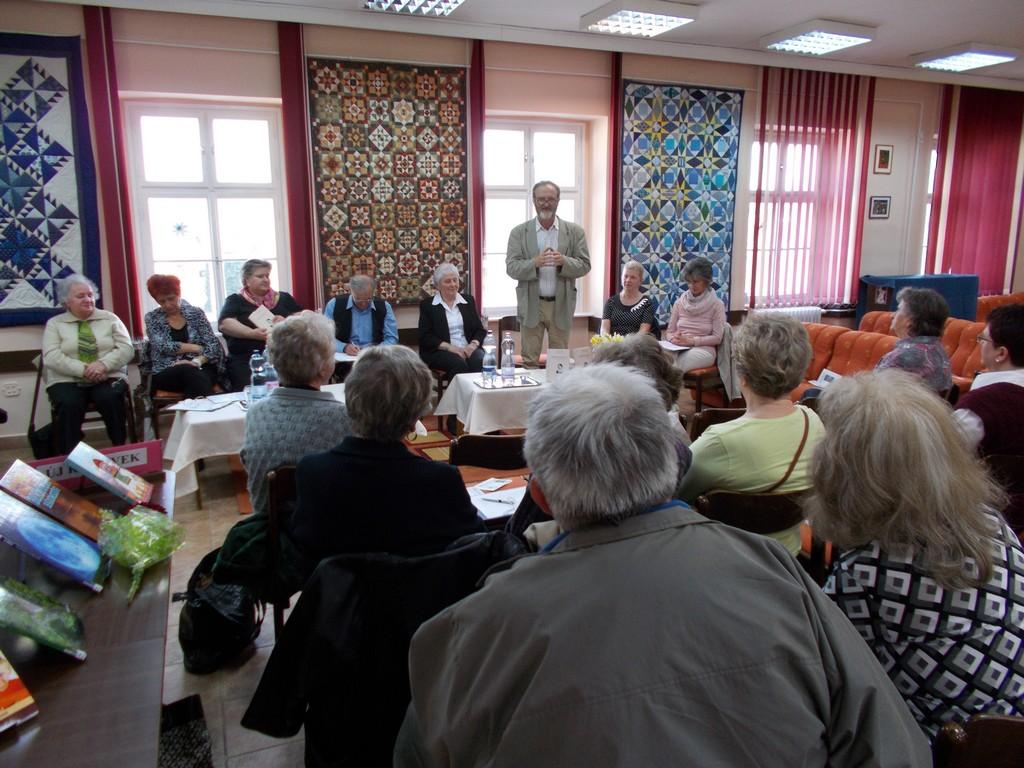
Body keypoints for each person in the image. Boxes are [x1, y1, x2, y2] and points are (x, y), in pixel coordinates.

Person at [397, 364, 931, 767]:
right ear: (671, 465)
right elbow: (891, 743)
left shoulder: (475, 623)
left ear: (541, 495)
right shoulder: (774, 567)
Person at [805, 369, 1023, 742]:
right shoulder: (990, 521)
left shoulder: (866, 572)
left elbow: (832, 682)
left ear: (843, 470)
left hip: (941, 745)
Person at [290, 345, 484, 564]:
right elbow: (476, 543)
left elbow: (305, 548)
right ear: (414, 420)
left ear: (350, 404)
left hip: (341, 584)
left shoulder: (313, 472)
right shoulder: (441, 480)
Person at [214, 312, 352, 601]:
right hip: (330, 544)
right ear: (324, 367)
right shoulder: (342, 418)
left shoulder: (257, 413)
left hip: (270, 538)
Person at [675, 313, 824, 555]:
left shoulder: (720, 441)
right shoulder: (814, 421)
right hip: (789, 557)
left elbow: (674, 494)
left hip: (725, 559)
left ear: (742, 376)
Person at [42, 275, 134, 455]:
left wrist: (103, 365)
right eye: (80, 296)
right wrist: (84, 370)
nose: (88, 299)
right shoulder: (55, 324)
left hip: (108, 375)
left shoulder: (110, 318)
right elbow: (51, 356)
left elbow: (126, 348)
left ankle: (120, 449)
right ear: (66, 301)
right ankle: (70, 455)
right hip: (66, 379)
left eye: (90, 295)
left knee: (110, 398)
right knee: (70, 403)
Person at [954, 303, 1024, 531]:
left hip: (984, 520)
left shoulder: (981, 405)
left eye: (983, 339)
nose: (980, 345)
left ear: (1001, 353)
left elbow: (941, 460)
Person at [506, 180, 591, 368]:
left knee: (559, 361)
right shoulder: (519, 232)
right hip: (531, 303)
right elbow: (511, 267)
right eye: (541, 199)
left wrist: (564, 262)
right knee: (529, 361)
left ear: (558, 200)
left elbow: (585, 265)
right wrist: (534, 263)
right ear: (534, 201)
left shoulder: (575, 232)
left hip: (561, 304)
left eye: (550, 199)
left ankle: (557, 389)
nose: (546, 203)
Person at [218, 259, 302, 391]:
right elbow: (225, 324)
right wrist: (251, 333)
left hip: (284, 359)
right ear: (246, 280)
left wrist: (286, 321)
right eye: (260, 276)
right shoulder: (235, 300)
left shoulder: (284, 298)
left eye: (267, 275)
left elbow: (304, 319)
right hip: (247, 361)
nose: (266, 280)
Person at [143, 274, 224, 398]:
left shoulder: (196, 313)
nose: (167, 304)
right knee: (191, 373)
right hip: (167, 370)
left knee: (194, 378)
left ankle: (194, 409)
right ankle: (211, 408)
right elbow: (164, 346)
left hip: (201, 365)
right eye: (162, 301)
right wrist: (197, 348)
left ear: (179, 294)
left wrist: (196, 361)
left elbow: (213, 345)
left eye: (171, 299)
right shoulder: (152, 318)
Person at [875, 287, 952, 393]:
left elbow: (872, 394)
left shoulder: (902, 357)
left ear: (910, 320)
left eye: (898, 309)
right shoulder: (939, 351)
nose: (892, 315)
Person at [417, 263, 486, 376]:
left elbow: (480, 330)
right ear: (438, 285)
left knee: (479, 360)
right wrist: (451, 348)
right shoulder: (428, 305)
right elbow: (425, 337)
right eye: (447, 281)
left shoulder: (468, 301)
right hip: (440, 351)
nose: (453, 284)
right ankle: (458, 389)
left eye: (455, 280)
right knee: (458, 364)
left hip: (468, 347)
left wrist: (472, 345)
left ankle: (476, 388)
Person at [665, 255, 726, 373]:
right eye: (689, 282)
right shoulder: (679, 302)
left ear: (706, 281)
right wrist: (673, 339)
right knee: (655, 360)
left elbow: (717, 338)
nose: (691, 286)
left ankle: (668, 384)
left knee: (676, 366)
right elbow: (669, 332)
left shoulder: (717, 304)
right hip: (679, 347)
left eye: (696, 282)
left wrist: (692, 341)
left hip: (703, 350)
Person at [324, 274, 398, 355]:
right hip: (345, 356)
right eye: (358, 299)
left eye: (368, 299)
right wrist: (344, 347)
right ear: (351, 291)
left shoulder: (384, 306)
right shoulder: (334, 305)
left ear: (373, 292)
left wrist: (376, 350)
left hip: (376, 355)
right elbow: (326, 338)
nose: (363, 304)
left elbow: (392, 338)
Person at [601, 260, 657, 336]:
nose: (628, 280)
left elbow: (643, 332)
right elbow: (604, 329)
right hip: (612, 342)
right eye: (625, 276)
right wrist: (607, 340)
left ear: (641, 281)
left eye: (633, 277)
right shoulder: (611, 302)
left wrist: (627, 343)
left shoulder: (647, 303)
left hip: (635, 342)